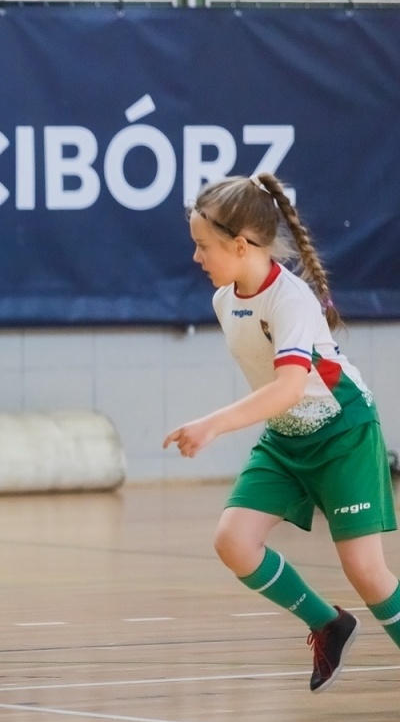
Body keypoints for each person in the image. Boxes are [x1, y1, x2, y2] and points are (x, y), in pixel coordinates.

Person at [165, 173, 399, 691]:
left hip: (342, 432)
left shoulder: (291, 301)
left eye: (203, 246)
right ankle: (328, 623)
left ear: (242, 244)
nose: (197, 258)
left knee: (365, 570)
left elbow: (291, 387)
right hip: (287, 438)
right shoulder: (225, 299)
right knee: (233, 542)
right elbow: (280, 398)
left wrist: (213, 424)